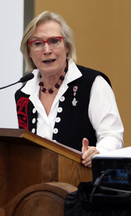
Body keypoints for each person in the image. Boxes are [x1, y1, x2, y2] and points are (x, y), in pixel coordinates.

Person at [15, 11, 124, 168]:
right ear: (29, 52)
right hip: (38, 188)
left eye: (54, 41)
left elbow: (112, 136)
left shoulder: (93, 83)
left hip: (84, 186)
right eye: (38, 43)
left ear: (67, 47)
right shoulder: (23, 95)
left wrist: (99, 151)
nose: (46, 50)